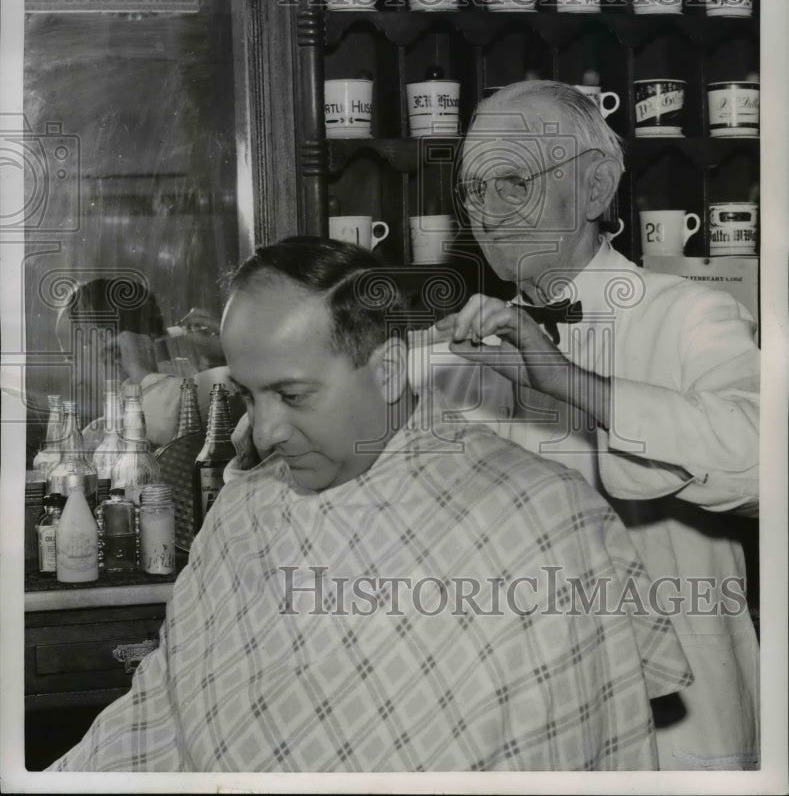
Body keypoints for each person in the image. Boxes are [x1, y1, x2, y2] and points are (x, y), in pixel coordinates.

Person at [50, 237, 692, 773]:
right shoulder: (247, 508)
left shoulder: (539, 521)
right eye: (249, 396)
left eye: (293, 396)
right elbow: (157, 716)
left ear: (389, 369)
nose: (266, 432)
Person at [422, 80, 759, 770]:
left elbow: (766, 461)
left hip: (675, 738)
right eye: (473, 190)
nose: (486, 212)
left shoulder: (687, 314)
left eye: (511, 181)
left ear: (596, 188)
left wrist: (575, 385)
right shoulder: (462, 351)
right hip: (517, 731)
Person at [54, 277, 239, 448]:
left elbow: (178, 419)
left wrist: (140, 372)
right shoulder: (96, 434)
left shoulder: (184, 398)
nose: (76, 379)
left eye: (73, 360)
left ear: (105, 342)